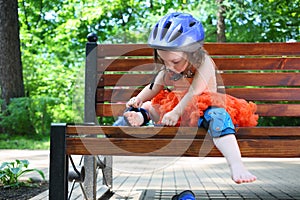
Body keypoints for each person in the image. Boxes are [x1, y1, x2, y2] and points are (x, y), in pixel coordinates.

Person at [114, 12, 257, 184]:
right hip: (177, 114)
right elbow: (153, 87)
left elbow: (194, 93)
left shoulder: (204, 63)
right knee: (153, 104)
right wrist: (138, 98)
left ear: (192, 52)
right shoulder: (168, 68)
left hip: (202, 109)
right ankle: (141, 115)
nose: (169, 67)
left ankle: (237, 165)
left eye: (174, 61)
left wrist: (175, 112)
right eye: (164, 61)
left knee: (219, 117)